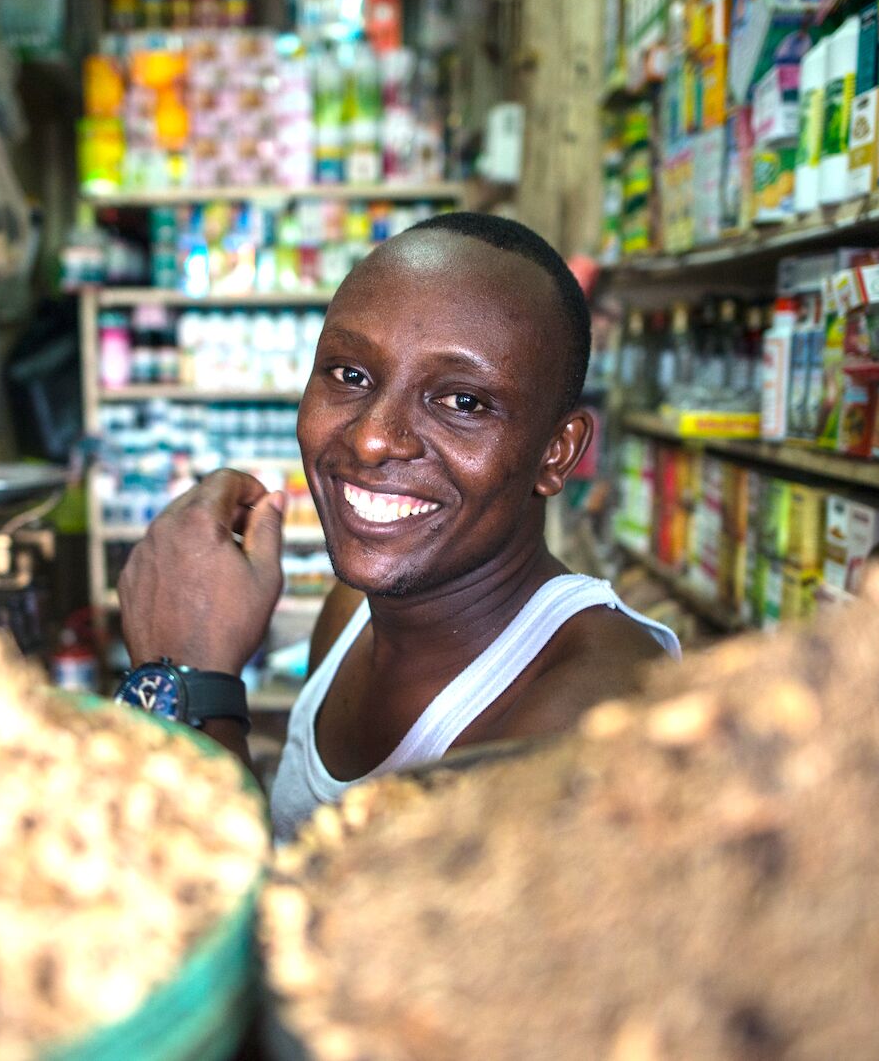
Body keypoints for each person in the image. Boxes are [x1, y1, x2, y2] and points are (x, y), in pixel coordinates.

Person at [116, 213, 679, 841]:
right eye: (350, 375)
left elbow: (262, 928)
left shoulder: (598, 716)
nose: (373, 437)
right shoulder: (351, 609)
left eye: (463, 402)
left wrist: (192, 686)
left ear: (556, 452)